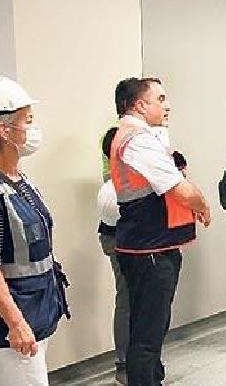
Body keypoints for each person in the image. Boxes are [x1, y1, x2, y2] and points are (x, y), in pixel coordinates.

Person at [0, 76, 68, 385]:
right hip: (16, 320)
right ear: (5, 131)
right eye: (28, 121)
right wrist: (16, 323)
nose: (34, 129)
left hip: (37, 309)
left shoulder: (18, 180)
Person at [110, 77, 211, 383]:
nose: (167, 105)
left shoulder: (142, 137)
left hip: (152, 246)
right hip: (148, 250)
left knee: (150, 330)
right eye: (161, 99)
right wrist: (202, 204)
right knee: (147, 336)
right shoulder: (137, 141)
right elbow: (180, 189)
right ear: (140, 105)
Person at [97, 126, 129, 385]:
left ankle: (136, 361)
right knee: (128, 298)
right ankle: (124, 365)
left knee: (137, 300)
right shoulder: (113, 187)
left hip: (122, 237)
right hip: (120, 238)